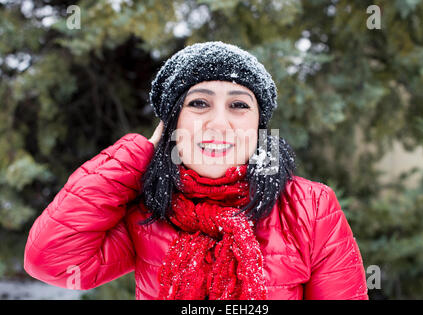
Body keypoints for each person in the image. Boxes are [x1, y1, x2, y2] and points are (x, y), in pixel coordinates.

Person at [24, 41, 369, 300]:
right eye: (199, 103)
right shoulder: (148, 209)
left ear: (259, 128)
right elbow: (52, 261)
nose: (219, 124)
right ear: (171, 124)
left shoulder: (310, 206)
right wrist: (139, 154)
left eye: (238, 105)